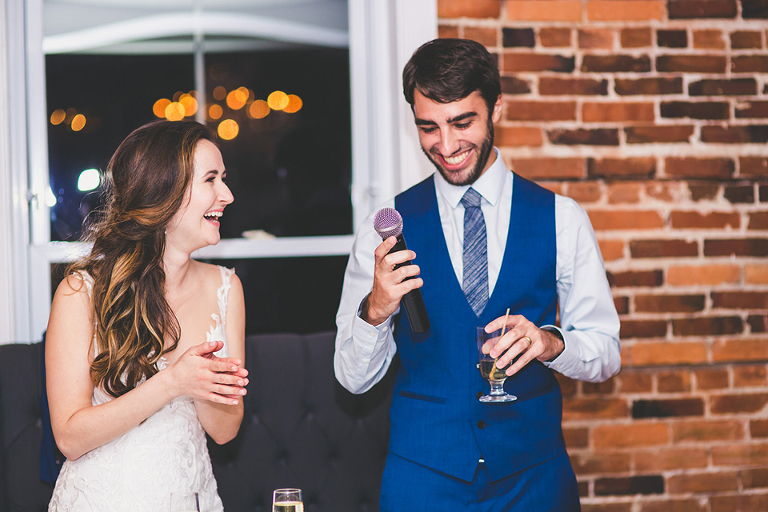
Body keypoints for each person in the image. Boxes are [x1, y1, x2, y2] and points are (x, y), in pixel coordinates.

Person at [334, 38, 621, 510]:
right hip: (422, 481)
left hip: (534, 480)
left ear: (496, 107)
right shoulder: (384, 228)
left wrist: (550, 343)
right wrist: (376, 310)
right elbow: (352, 379)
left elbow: (606, 352)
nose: (446, 146)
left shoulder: (561, 218)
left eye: (462, 122)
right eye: (428, 127)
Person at [46, 120, 248, 512]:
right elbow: (69, 437)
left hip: (190, 498)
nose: (227, 195)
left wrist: (202, 382)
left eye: (223, 179)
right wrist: (172, 382)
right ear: (164, 192)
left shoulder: (225, 288)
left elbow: (226, 431)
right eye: (211, 180)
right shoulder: (81, 292)